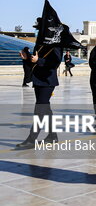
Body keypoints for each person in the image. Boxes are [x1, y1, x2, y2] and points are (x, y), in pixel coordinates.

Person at [16, 18, 63, 149]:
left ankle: (32, 139)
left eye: (39, 29)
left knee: (39, 110)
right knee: (46, 110)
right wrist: (27, 59)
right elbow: (35, 62)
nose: (38, 31)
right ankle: (53, 136)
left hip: (47, 81)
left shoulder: (55, 44)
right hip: (39, 80)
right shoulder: (41, 43)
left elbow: (54, 63)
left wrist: (39, 60)